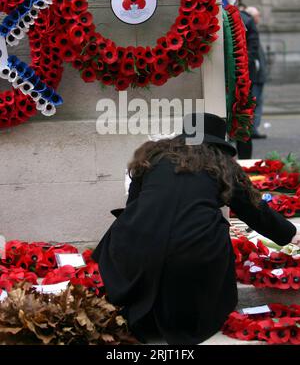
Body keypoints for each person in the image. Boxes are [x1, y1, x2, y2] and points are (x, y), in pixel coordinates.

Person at [92, 113, 300, 345]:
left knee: (136, 230)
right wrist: (290, 234)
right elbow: (253, 210)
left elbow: (134, 207)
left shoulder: (153, 157)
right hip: (196, 252)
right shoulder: (220, 164)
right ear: (218, 142)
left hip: (140, 247)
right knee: (205, 236)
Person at [240, 6, 268, 139]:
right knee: (254, 102)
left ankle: (252, 128)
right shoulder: (249, 24)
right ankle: (252, 129)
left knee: (256, 102)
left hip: (257, 75)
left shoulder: (251, 27)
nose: (258, 18)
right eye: (257, 15)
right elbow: (253, 54)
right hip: (254, 76)